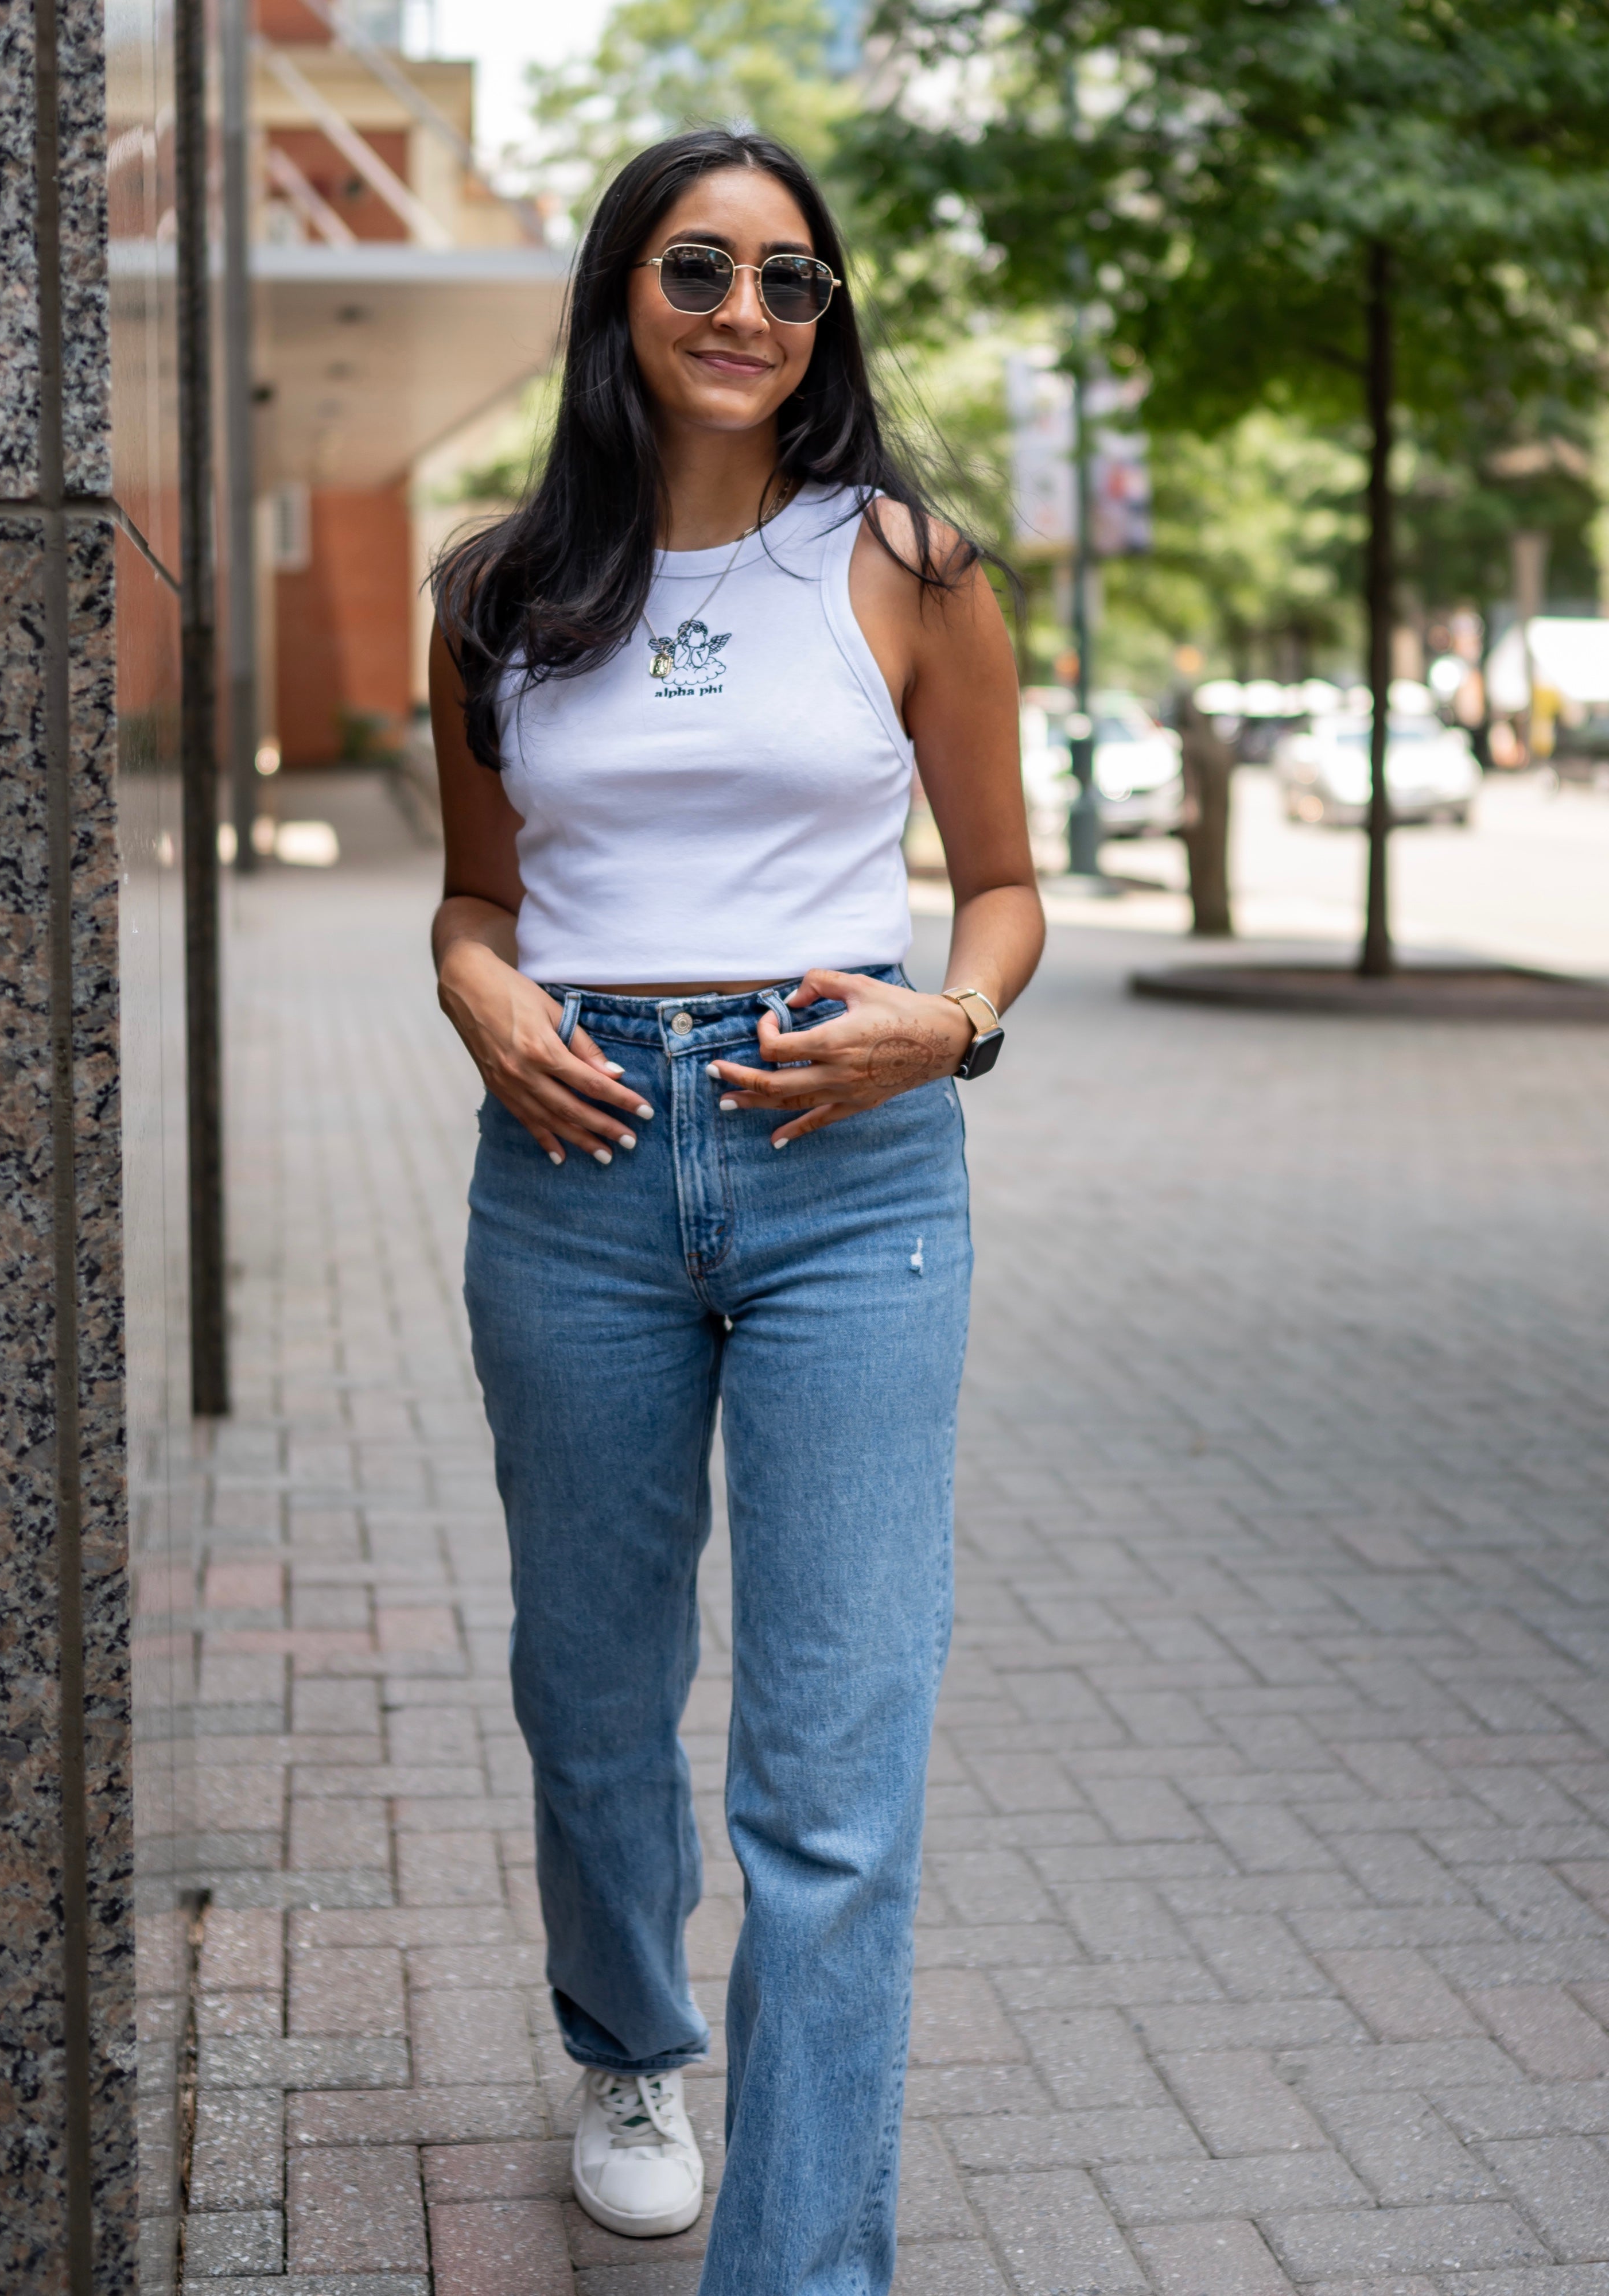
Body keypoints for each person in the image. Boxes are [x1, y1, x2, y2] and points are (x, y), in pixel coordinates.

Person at [425, 127, 1042, 2293]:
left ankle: (802, 2268)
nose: (748, 316)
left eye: (795, 285)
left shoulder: (911, 562)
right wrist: (476, 990)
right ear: (621, 293)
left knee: (835, 1777)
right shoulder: (501, 591)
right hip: (579, 1160)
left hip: (845, 1164)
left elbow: (1007, 888)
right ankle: (625, 2046)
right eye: (702, 269)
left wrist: (947, 1026)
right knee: (593, 1691)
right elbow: (480, 898)